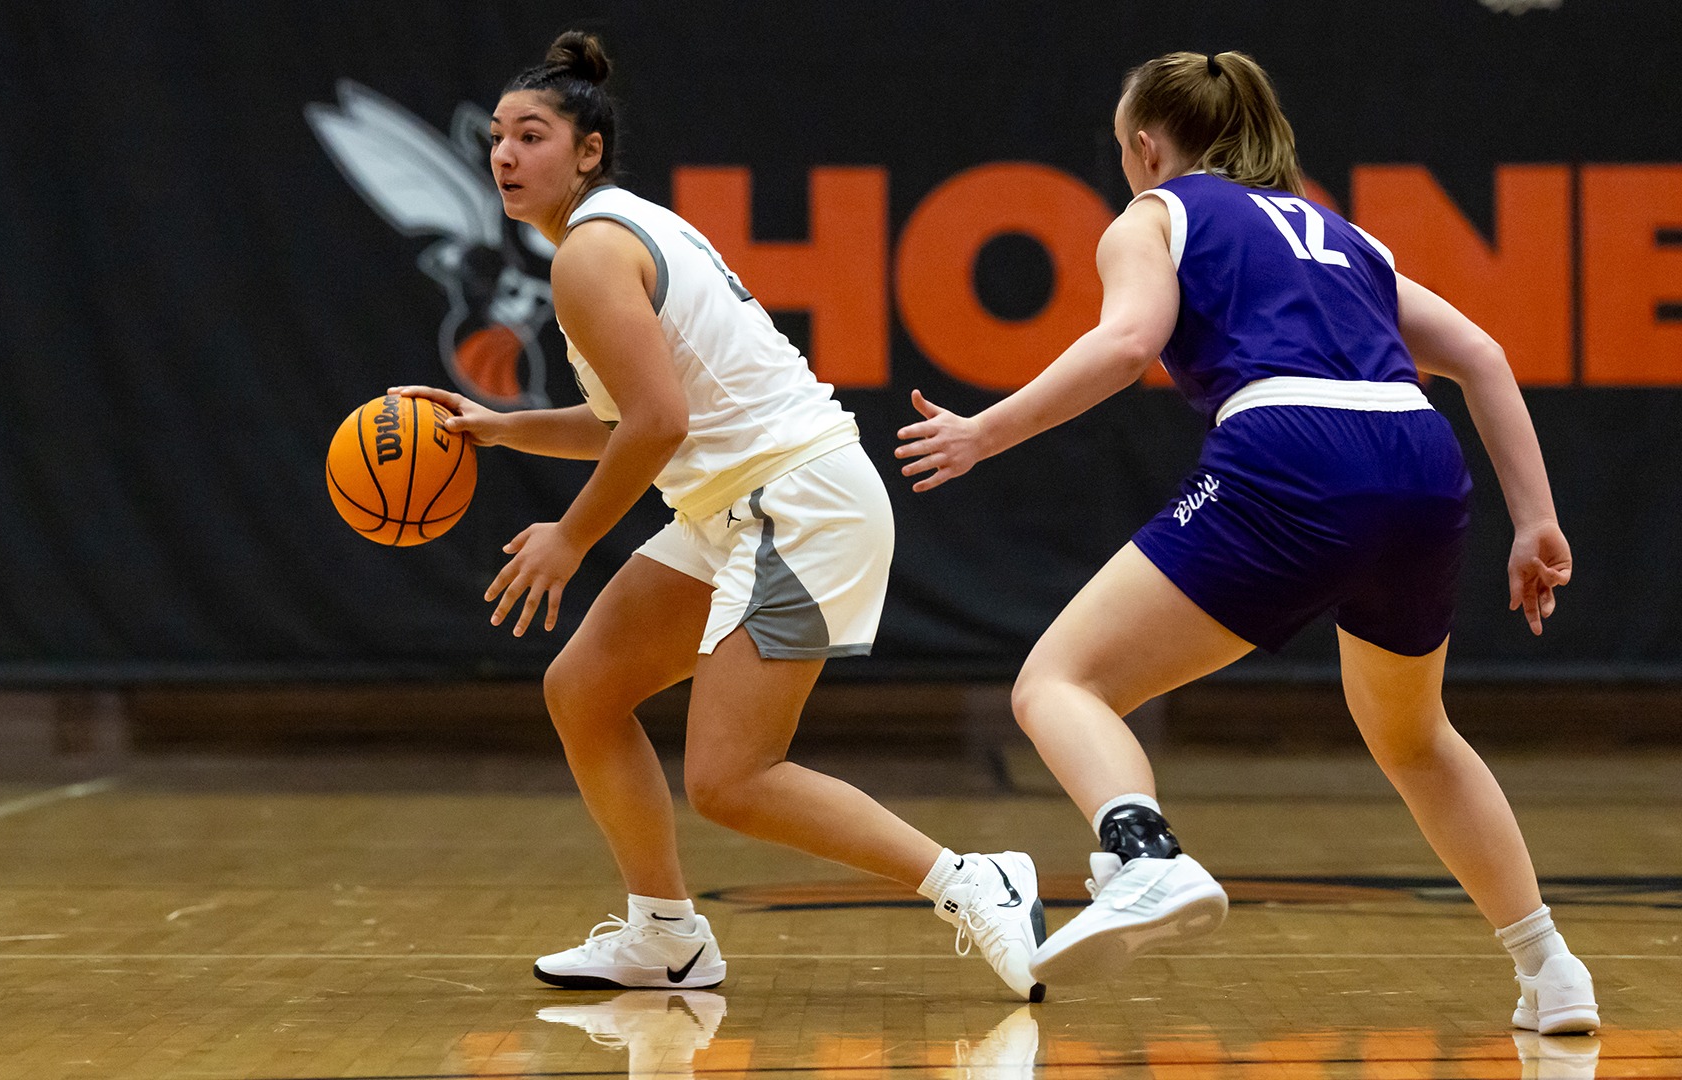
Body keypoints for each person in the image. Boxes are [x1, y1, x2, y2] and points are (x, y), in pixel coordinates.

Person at [896, 50, 1598, 1034]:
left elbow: (1127, 343)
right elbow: (1480, 354)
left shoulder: (1156, 214)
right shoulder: (1343, 234)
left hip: (1293, 448)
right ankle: (1552, 970)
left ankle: (1142, 856)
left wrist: (986, 431)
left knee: (1057, 683)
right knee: (1415, 737)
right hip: (1420, 457)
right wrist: (1535, 519)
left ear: (1145, 147)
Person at [394, 31, 1044, 1000]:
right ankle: (666, 935)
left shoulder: (589, 256)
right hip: (738, 504)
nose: (502, 154)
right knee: (583, 690)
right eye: (495, 136)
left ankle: (972, 881)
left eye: (530, 134)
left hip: (797, 501)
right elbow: (631, 415)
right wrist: (502, 429)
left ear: (587, 151)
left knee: (730, 779)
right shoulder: (619, 231)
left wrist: (570, 538)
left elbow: (658, 421)